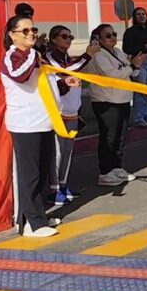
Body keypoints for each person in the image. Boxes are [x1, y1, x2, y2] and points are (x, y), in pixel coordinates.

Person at [1, 15, 79, 237]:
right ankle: (30, 223)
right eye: (24, 31)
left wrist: (64, 83)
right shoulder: (13, 57)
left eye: (33, 29)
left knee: (43, 172)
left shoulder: (35, 57)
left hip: (44, 123)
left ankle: (38, 216)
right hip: (26, 124)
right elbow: (20, 76)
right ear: (12, 35)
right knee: (30, 175)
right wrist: (34, 55)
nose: (31, 33)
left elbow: (46, 82)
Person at [84, 24, 146, 186]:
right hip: (105, 101)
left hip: (123, 99)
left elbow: (131, 72)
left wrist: (136, 65)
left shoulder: (118, 52)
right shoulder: (98, 55)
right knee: (109, 138)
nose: (112, 38)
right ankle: (105, 172)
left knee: (121, 136)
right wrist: (131, 66)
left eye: (114, 34)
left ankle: (116, 167)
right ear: (98, 39)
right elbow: (112, 75)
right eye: (108, 35)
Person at [44, 25, 97, 205]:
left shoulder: (69, 59)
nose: (68, 39)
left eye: (71, 36)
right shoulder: (49, 57)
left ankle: (63, 184)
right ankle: (53, 189)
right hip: (58, 112)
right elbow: (67, 70)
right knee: (57, 152)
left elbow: (72, 69)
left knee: (68, 151)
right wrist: (87, 54)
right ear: (53, 39)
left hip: (72, 112)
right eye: (64, 36)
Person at [122, 6, 147, 128]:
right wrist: (144, 48)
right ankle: (138, 118)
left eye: (143, 14)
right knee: (140, 90)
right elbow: (127, 48)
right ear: (134, 17)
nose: (141, 16)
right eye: (138, 14)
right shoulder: (131, 32)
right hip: (140, 62)